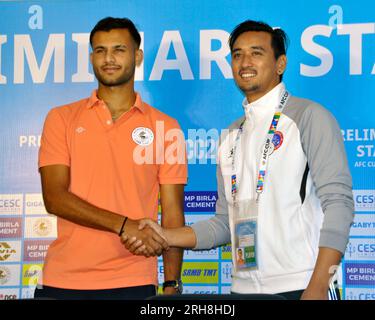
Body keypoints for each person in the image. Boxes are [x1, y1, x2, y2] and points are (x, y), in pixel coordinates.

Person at [123, 20, 354, 300]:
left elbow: (339, 204)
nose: (245, 62)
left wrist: (318, 285)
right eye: (237, 54)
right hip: (243, 289)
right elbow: (224, 224)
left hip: (302, 284)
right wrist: (165, 235)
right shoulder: (230, 136)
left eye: (256, 52)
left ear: (280, 64)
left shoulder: (309, 117)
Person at [35, 17, 187, 300]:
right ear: (92, 57)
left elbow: (173, 213)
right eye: (100, 50)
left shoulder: (167, 127)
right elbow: (54, 197)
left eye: (119, 49)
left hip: (134, 280)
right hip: (64, 280)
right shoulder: (61, 118)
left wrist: (172, 284)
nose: (108, 58)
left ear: (137, 56)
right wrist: (123, 224)